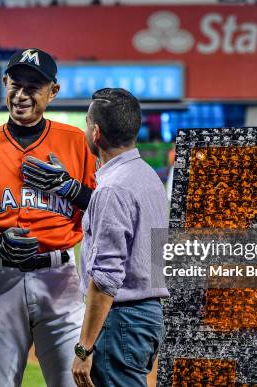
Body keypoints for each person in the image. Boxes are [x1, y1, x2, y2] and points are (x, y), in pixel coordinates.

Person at [0, 48, 97, 387]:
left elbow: (105, 208)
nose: (22, 94)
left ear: (52, 92)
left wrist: (72, 190)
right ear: (4, 84)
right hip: (0, 283)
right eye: (16, 84)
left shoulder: (77, 143)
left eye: (33, 86)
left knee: (73, 382)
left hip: (61, 281)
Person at [71, 88, 170, 387]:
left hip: (121, 322)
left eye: (87, 123)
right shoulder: (148, 176)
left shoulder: (112, 189)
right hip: (147, 316)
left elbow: (105, 278)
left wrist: (84, 347)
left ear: (96, 132)